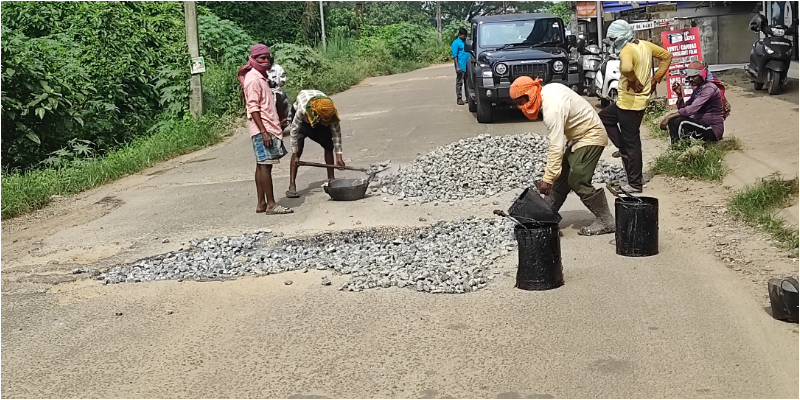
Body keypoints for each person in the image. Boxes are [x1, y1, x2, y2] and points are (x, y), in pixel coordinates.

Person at [510, 76, 615, 236]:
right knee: (563, 177)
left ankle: (606, 220)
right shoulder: (547, 92)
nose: (520, 107)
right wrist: (553, 176)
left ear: (530, 94)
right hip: (578, 137)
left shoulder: (552, 109)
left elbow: (556, 146)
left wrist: (547, 178)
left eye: (521, 101)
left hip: (590, 136)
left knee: (577, 179)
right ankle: (545, 218)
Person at [598, 20, 672, 193]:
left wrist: (633, 79)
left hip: (629, 104)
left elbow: (625, 67)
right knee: (604, 117)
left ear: (620, 36)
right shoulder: (645, 45)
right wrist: (656, 79)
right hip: (636, 101)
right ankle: (623, 149)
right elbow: (667, 56)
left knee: (633, 144)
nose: (612, 42)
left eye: (613, 38)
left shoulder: (627, 50)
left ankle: (635, 183)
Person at [236, 44, 293, 215]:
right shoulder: (253, 80)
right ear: (253, 59)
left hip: (268, 127)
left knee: (261, 166)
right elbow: (253, 108)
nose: (266, 61)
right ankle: (271, 205)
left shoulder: (260, 77)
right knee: (266, 167)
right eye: (262, 58)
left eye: (268, 58)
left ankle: (261, 203)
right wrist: (264, 131)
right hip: (264, 129)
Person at [285, 89, 345, 198]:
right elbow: (293, 131)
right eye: (325, 121)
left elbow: (336, 133)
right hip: (302, 121)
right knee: (298, 148)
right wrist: (295, 153)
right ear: (317, 117)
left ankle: (331, 179)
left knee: (328, 145)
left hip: (318, 116)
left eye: (328, 121)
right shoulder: (302, 110)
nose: (327, 124)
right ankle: (292, 185)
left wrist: (339, 156)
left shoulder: (330, 111)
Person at [659, 61, 725, 144]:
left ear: (702, 75)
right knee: (674, 120)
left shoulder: (709, 88)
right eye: (689, 77)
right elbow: (685, 109)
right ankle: (676, 150)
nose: (690, 79)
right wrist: (679, 95)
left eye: (694, 76)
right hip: (702, 125)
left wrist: (668, 116)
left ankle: (684, 150)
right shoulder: (698, 89)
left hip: (712, 130)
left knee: (682, 122)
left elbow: (691, 109)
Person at [267, 53, 291, 128]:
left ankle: (282, 119)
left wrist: (280, 84)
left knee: (277, 98)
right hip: (266, 91)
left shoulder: (277, 68)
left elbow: (283, 78)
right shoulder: (262, 70)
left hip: (276, 90)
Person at [451, 28, 471, 105]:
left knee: (468, 83)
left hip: (468, 66)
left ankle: (467, 98)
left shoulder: (466, 42)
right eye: (463, 36)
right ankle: (459, 99)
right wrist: (457, 67)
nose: (464, 37)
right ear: (459, 35)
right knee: (459, 83)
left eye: (465, 36)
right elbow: (455, 56)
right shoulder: (456, 43)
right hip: (461, 66)